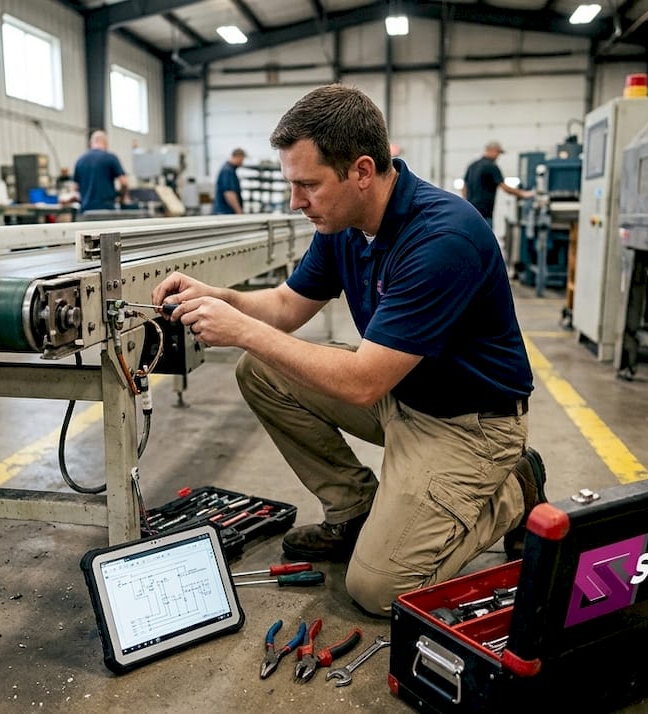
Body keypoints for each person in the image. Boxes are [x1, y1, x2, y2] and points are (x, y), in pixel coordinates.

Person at [152, 85, 547, 616]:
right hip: (404, 396)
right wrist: (219, 298)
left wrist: (240, 329)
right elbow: (288, 304)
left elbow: (363, 381)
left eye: (308, 185)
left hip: (468, 425)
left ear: (361, 171)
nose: (296, 202)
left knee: (379, 591)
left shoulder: (442, 238)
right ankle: (355, 510)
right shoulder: (345, 225)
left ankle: (515, 488)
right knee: (260, 371)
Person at [462, 140, 532, 220]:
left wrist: (467, 203)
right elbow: (504, 187)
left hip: (471, 211)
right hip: (484, 213)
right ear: (491, 150)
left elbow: (464, 187)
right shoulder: (491, 166)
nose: (498, 156)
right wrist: (523, 193)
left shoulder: (473, 165)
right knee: (485, 232)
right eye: (498, 153)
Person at [72, 130, 129, 212]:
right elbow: (124, 183)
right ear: (105, 143)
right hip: (107, 210)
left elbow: (75, 189)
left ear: (91, 143)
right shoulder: (110, 158)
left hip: (85, 211)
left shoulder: (80, 160)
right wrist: (122, 198)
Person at [213, 148, 247, 214]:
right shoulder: (227, 171)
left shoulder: (229, 169)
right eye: (241, 160)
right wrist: (239, 211)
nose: (242, 163)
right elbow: (229, 193)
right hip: (225, 212)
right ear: (237, 156)